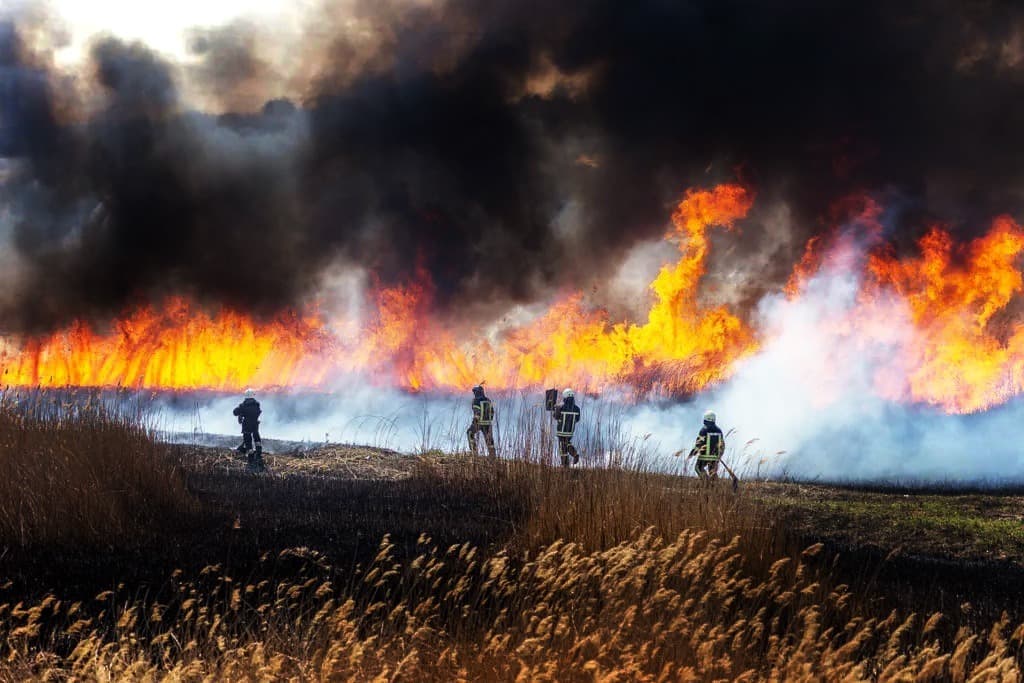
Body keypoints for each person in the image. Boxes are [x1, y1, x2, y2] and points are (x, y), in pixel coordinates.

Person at [233, 389, 264, 472]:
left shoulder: (243, 406)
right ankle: (259, 452)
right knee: (256, 437)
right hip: (255, 424)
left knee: (248, 440)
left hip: (246, 425)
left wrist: (240, 412)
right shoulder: (257, 404)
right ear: (253, 396)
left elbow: (235, 412)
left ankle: (250, 457)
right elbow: (257, 412)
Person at [552, 388, 581, 466]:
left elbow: (555, 417)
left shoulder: (560, 407)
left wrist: (554, 409)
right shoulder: (577, 409)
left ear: (564, 397)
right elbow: (577, 419)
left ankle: (565, 465)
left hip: (561, 432)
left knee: (562, 448)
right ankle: (574, 454)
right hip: (570, 432)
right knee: (567, 443)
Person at [692, 410, 724, 480]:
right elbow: (722, 445)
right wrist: (719, 455)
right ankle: (715, 484)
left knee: (698, 468)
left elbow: (699, 443)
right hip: (715, 457)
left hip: (704, 456)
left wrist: (693, 453)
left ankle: (706, 482)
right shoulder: (719, 430)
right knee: (712, 471)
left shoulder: (704, 429)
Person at [466, 385, 497, 456]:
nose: (474, 394)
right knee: (489, 440)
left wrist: (474, 422)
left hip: (479, 423)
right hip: (488, 424)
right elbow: (492, 412)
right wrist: (489, 420)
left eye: (474, 392)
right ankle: (493, 456)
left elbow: (477, 412)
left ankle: (474, 452)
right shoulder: (488, 400)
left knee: (470, 432)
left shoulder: (476, 400)